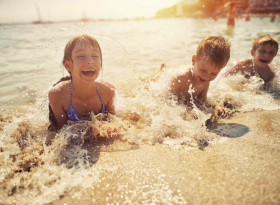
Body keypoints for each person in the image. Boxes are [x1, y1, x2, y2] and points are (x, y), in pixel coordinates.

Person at [48, 35, 116, 131]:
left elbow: (114, 125)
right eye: (81, 56)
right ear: (68, 65)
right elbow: (61, 133)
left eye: (95, 56)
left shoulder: (108, 90)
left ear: (101, 64)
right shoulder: (57, 95)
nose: (90, 61)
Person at [169, 36, 231, 117]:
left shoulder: (205, 82)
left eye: (213, 74)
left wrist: (216, 107)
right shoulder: (181, 77)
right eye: (203, 70)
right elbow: (164, 97)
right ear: (194, 60)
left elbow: (202, 100)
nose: (206, 76)